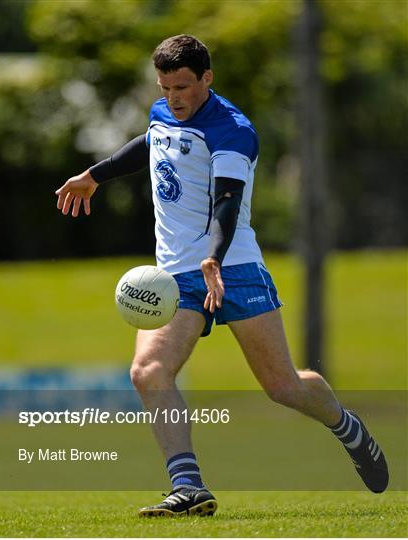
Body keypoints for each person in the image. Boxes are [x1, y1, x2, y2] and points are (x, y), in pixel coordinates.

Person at [55, 34, 389, 517]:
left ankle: (347, 427)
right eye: (166, 87)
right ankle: (188, 486)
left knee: (283, 387)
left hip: (233, 266)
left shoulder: (232, 130)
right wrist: (95, 175)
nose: (175, 97)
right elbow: (151, 142)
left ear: (207, 79)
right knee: (148, 371)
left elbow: (227, 200)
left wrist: (214, 255)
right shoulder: (164, 110)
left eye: (184, 87)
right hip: (174, 277)